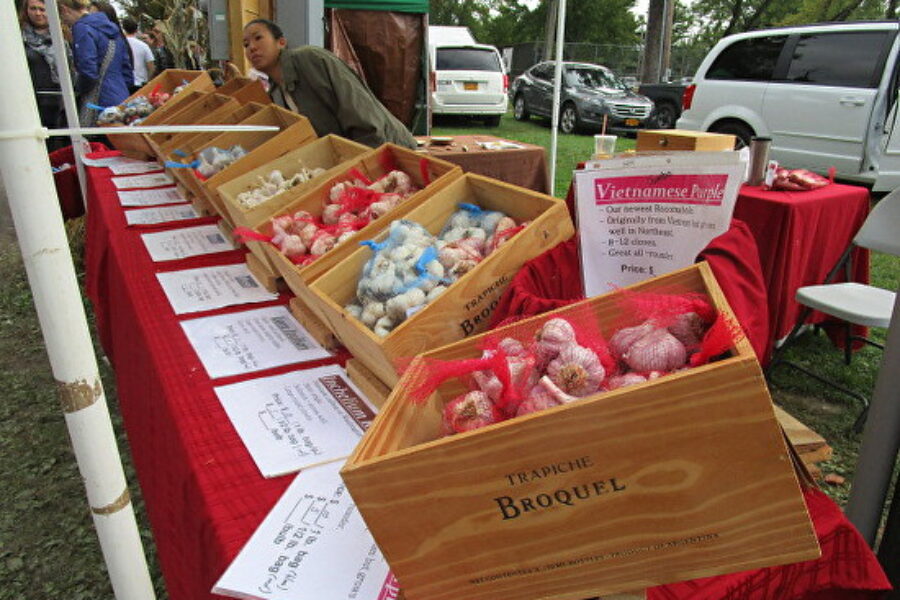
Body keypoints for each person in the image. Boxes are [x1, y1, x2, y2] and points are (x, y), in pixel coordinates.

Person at [241, 19, 416, 149]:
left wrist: (363, 164)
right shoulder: (276, 92)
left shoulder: (311, 60)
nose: (252, 48)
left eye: (258, 38)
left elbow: (362, 113)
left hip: (387, 150)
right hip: (349, 159)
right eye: (246, 44)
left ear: (281, 42)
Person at [58, 0, 132, 125]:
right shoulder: (113, 29)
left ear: (64, 9)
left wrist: (77, 91)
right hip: (121, 97)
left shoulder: (82, 27)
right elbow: (127, 72)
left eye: (61, 17)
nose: (64, 22)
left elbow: (88, 70)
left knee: (95, 143)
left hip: (97, 102)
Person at [19, 0, 66, 143]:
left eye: (42, 9)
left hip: (58, 102)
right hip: (30, 102)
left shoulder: (63, 36)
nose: (38, 13)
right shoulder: (18, 36)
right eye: (33, 9)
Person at [122, 17, 155, 88]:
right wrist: (147, 80)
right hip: (141, 84)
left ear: (123, 29)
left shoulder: (119, 45)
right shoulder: (143, 46)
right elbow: (151, 66)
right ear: (136, 30)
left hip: (124, 84)